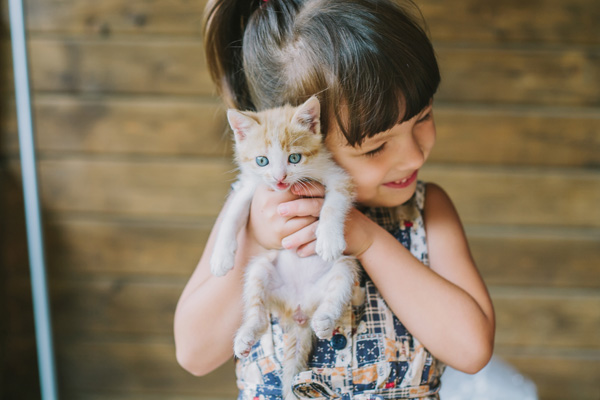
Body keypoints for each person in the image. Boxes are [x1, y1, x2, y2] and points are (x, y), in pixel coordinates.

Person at [174, 0, 496, 398]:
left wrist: (367, 238)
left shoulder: (428, 211)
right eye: (375, 148)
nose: (414, 156)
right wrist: (256, 239)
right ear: (304, 140)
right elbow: (194, 353)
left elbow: (472, 348)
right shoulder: (253, 215)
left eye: (423, 117)